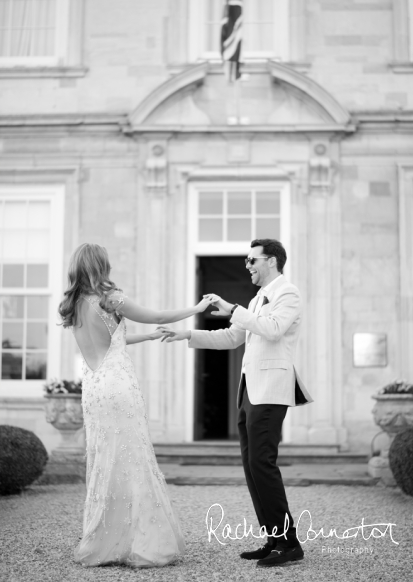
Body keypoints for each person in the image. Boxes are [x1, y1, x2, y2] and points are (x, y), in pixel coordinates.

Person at [160, 238, 313, 568]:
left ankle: (289, 545)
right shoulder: (257, 298)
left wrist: (233, 310)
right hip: (249, 392)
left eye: (252, 260)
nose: (248, 266)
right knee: (251, 467)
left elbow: (272, 330)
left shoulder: (288, 293)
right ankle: (274, 539)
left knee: (262, 464)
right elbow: (232, 337)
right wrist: (188, 335)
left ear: (271, 261)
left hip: (271, 390)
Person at [58, 243, 211, 567]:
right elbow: (156, 314)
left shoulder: (72, 305)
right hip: (117, 385)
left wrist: (150, 337)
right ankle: (142, 542)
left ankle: (105, 543)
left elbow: (112, 341)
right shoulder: (110, 298)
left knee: (106, 461)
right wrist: (197, 308)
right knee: (133, 459)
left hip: (94, 388)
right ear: (102, 265)